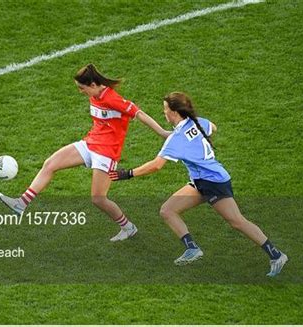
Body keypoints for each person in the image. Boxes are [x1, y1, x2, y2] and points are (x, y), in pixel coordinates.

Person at [109, 91, 288, 277]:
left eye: (165, 110)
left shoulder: (177, 139)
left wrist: (127, 174)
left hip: (213, 183)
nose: (164, 113)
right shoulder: (198, 122)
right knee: (168, 210)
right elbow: (213, 127)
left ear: (175, 112)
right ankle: (192, 249)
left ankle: (276, 255)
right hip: (200, 181)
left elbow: (156, 166)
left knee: (237, 221)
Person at [0, 64, 170, 241]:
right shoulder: (95, 94)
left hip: (106, 153)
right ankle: (21, 204)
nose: (81, 92)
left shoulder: (112, 98)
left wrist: (162, 133)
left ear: (93, 85)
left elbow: (139, 113)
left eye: (82, 88)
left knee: (98, 199)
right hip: (90, 143)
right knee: (50, 164)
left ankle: (128, 227)